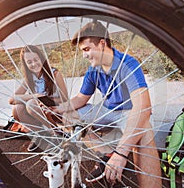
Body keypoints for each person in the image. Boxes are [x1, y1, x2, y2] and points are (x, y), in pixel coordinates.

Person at [53, 22, 162, 187]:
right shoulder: (92, 70)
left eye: (87, 49)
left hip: (129, 112)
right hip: (107, 110)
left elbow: (143, 107)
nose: (84, 55)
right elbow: (81, 99)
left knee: (144, 130)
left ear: (102, 44)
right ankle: (107, 153)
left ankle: (121, 158)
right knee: (66, 116)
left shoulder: (128, 63)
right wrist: (57, 109)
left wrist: (122, 153)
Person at [8, 45, 68, 151]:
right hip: (38, 110)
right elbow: (12, 100)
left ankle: (57, 134)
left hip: (56, 110)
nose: (34, 64)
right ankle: (41, 135)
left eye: (36, 60)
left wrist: (46, 100)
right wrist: (35, 96)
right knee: (17, 108)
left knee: (31, 104)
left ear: (41, 58)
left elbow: (65, 99)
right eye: (29, 62)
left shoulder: (55, 74)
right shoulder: (29, 78)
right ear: (26, 64)